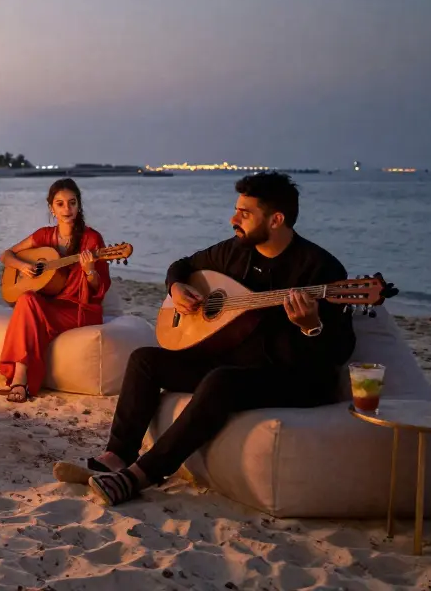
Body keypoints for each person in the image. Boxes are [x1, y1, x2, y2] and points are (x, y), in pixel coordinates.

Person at [55, 172, 355, 507]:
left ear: (276, 219)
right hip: (234, 357)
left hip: (291, 375)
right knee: (145, 360)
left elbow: (338, 352)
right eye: (235, 210)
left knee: (222, 380)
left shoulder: (321, 269)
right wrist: (176, 287)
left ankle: (140, 476)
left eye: (245, 213)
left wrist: (310, 326)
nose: (233, 219)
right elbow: (182, 266)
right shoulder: (235, 252)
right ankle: (117, 456)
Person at [0, 179, 110, 402]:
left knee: (28, 306)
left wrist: (89, 271)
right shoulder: (43, 236)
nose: (66, 209)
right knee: (27, 298)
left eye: (72, 203)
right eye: (60, 204)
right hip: (50, 302)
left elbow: (99, 288)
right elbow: (6, 255)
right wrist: (23, 266)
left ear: (79, 206)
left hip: (79, 308)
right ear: (52, 208)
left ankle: (21, 378)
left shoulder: (92, 239)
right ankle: (20, 375)